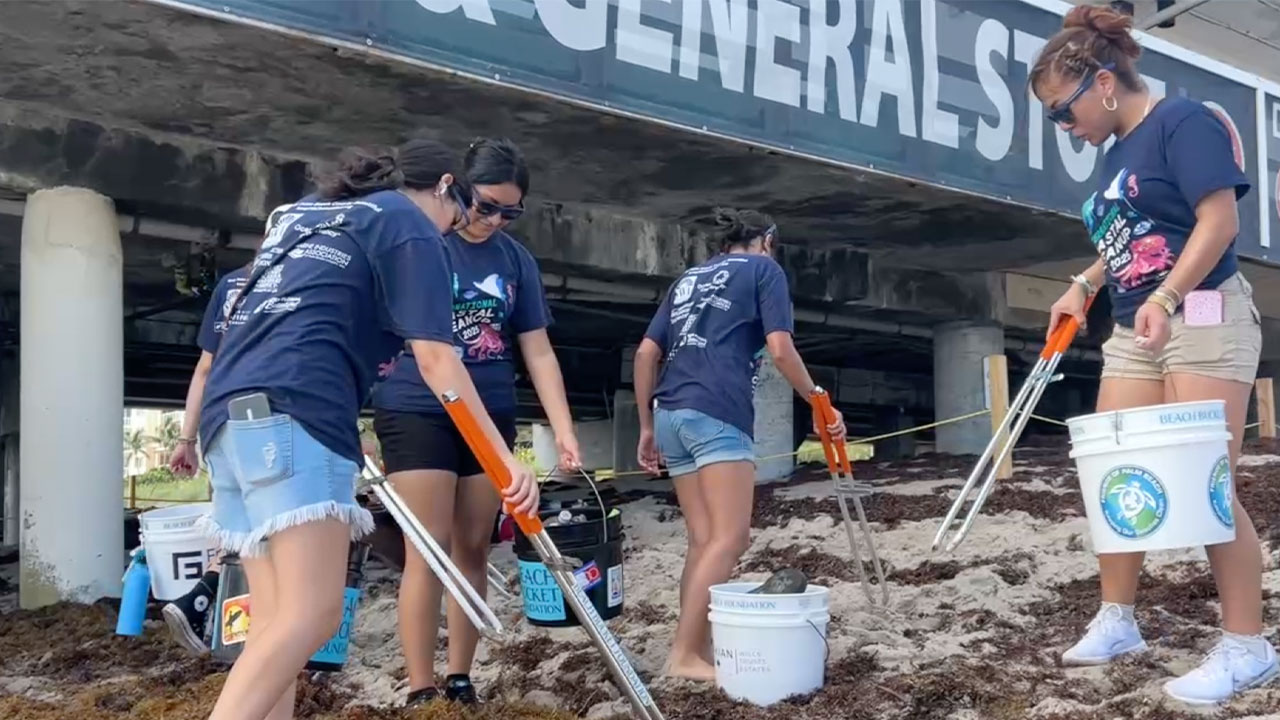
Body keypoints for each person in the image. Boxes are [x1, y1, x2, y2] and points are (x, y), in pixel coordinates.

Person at [196, 139, 538, 720]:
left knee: (278, 625)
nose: (457, 228)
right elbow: (437, 362)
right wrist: (504, 459)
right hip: (301, 409)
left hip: (228, 416)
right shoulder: (411, 225)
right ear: (444, 186)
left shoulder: (306, 214)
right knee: (313, 614)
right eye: (461, 211)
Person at [1032, 5, 1275, 705]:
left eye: (1061, 111)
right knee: (1114, 467)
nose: (1064, 128)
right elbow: (1136, 235)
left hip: (1202, 313)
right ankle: (1118, 618)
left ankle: (1248, 647)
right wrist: (1084, 282)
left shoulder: (1183, 121)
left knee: (1208, 484)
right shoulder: (1118, 152)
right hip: (1137, 325)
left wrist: (1166, 298)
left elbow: (1219, 218)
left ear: (1102, 83)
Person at [371, 137, 579, 707]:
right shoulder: (422, 242)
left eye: (509, 212)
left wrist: (561, 427)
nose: (492, 220)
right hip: (416, 406)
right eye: (486, 205)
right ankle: (420, 686)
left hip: (490, 414)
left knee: (473, 546)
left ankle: (460, 677)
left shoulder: (516, 261)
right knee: (427, 548)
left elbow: (537, 350)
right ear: (456, 188)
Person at [633, 208, 846, 681]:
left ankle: (694, 647)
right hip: (717, 410)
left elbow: (647, 352)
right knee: (731, 537)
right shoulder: (765, 271)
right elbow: (780, 347)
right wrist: (817, 401)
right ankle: (685, 655)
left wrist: (646, 426)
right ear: (767, 241)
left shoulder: (689, 278)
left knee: (703, 540)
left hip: (670, 410)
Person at [161, 253, 250, 654]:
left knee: (235, 528)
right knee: (266, 535)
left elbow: (204, 368)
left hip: (220, 424)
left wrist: (187, 439)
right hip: (267, 418)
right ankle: (218, 615)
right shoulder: (298, 279)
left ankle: (211, 615)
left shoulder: (230, 285)